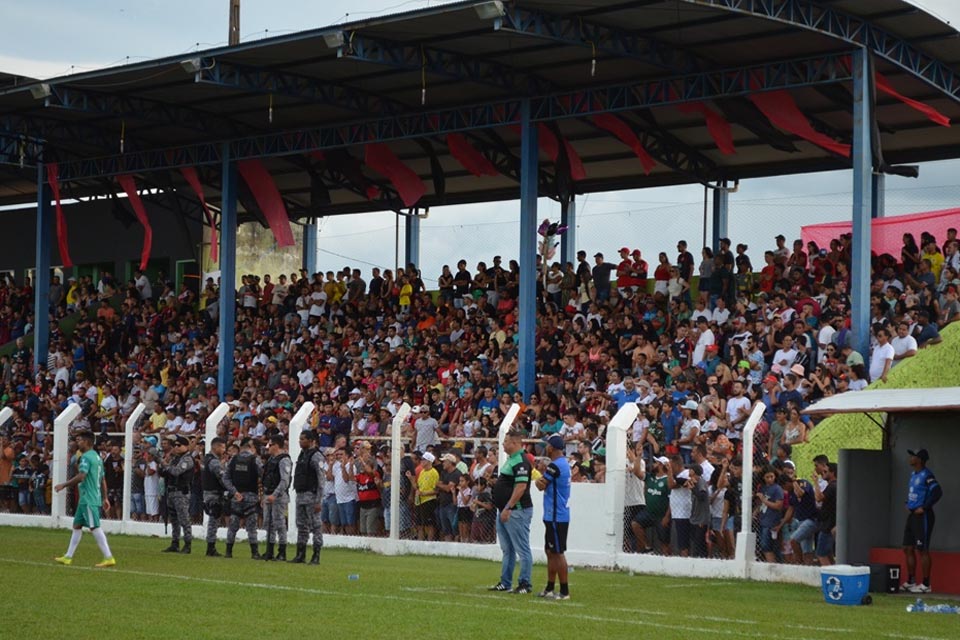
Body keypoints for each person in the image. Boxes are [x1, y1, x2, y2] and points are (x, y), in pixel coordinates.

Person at [53, 431, 116, 567]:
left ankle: (108, 557)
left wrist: (63, 485)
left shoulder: (86, 457)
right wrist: (105, 498)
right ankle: (68, 557)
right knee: (77, 526)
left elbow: (82, 476)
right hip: (87, 498)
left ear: (87, 442)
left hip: (88, 497)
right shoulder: (97, 457)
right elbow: (102, 479)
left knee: (94, 527)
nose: (78, 442)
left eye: (80, 440)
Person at [488, 429, 533, 594]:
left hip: (516, 511)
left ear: (514, 443)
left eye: (505, 442)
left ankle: (525, 583)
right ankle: (505, 582)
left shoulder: (521, 461)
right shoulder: (511, 459)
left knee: (522, 548)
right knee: (507, 549)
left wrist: (509, 507)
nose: (503, 444)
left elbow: (520, 487)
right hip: (505, 510)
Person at [534, 434, 571, 600]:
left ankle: (564, 591)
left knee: (557, 552)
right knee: (550, 551)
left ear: (552, 448)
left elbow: (541, 485)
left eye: (547, 445)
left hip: (556, 515)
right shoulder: (563, 464)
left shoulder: (555, 466)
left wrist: (538, 479)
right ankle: (550, 587)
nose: (545, 448)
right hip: (555, 514)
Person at [901, 448, 943, 594]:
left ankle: (926, 584)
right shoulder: (913, 474)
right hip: (912, 515)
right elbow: (915, 492)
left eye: (913, 456)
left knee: (922, 549)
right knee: (907, 548)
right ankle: (911, 581)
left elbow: (937, 492)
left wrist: (924, 507)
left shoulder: (927, 475)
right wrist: (908, 503)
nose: (910, 458)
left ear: (919, 459)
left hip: (923, 516)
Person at [223, 437, 262, 559]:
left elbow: (226, 478)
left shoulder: (233, 459)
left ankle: (228, 551)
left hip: (237, 496)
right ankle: (254, 553)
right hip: (251, 496)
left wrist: (234, 492)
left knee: (233, 524)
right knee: (252, 527)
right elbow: (263, 474)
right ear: (251, 447)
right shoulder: (255, 460)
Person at [291, 430, 325, 564]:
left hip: (311, 496)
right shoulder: (302, 455)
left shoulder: (316, 456)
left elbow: (321, 479)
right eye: (300, 439)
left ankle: (316, 555)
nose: (300, 441)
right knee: (301, 525)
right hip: (300, 495)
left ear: (311, 440)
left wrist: (318, 500)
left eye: (303, 439)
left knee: (316, 526)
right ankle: (301, 554)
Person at [160, 435, 194, 554]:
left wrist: (164, 464)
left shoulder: (187, 459)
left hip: (181, 492)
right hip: (171, 491)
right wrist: (164, 463)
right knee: (174, 519)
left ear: (186, 446)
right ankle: (175, 543)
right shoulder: (175, 459)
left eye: (179, 445)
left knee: (184, 519)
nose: (176, 447)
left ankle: (187, 544)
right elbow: (164, 473)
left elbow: (176, 472)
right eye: (175, 445)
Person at [261, 434, 292, 561]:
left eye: (270, 444)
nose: (268, 447)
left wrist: (275, 494)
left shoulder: (284, 460)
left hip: (278, 496)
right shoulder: (271, 459)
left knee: (279, 524)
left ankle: (282, 552)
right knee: (268, 524)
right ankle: (269, 550)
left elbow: (284, 481)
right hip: (269, 494)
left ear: (276, 445)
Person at [202, 437, 229, 557]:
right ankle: (211, 547)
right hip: (214, 494)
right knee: (214, 521)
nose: (224, 450)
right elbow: (222, 477)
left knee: (214, 520)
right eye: (222, 447)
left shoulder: (207, 459)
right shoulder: (213, 461)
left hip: (208, 492)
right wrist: (230, 488)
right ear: (215, 447)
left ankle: (211, 546)